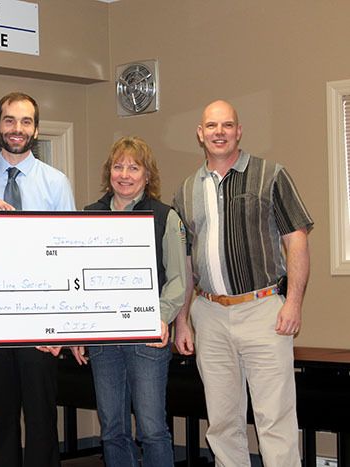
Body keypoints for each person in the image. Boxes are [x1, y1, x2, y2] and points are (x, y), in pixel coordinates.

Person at [173, 100, 313, 467]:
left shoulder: (270, 174)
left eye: (227, 125)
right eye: (211, 126)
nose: (219, 132)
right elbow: (187, 261)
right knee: (221, 422)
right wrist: (183, 319)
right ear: (200, 134)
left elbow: (296, 239)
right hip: (210, 315)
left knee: (275, 420)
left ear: (239, 131)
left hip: (263, 310)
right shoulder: (186, 190)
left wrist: (293, 303)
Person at [0, 91, 75, 467]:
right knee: (1, 418)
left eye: (25, 121)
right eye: (9, 120)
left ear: (36, 129)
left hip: (40, 322)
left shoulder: (55, 183)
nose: (17, 129)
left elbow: (68, 256)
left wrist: (62, 329)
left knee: (41, 420)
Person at [63, 136, 187, 467]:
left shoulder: (165, 217)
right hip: (104, 340)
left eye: (134, 167)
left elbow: (178, 280)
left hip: (147, 337)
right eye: (118, 166)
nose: (125, 174)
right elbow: (79, 278)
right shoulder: (90, 215)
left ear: (147, 175)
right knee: (112, 430)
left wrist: (160, 317)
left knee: (152, 430)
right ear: (109, 173)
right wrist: (78, 332)